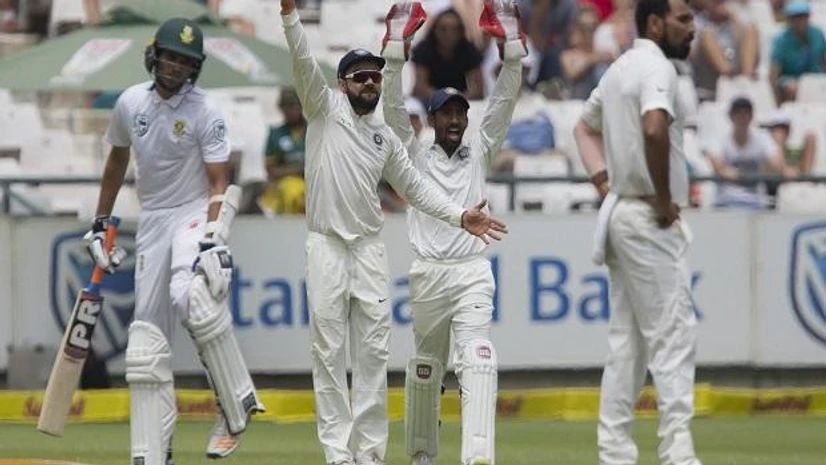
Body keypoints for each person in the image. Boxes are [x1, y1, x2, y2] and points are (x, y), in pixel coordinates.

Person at [279, 1, 507, 464]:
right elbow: (302, 61)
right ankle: (338, 454)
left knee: (372, 355)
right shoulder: (322, 108)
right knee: (328, 352)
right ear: (342, 84)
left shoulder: (383, 135)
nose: (369, 82)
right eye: (359, 76)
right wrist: (289, 17)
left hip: (368, 249)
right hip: (326, 245)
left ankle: (369, 453)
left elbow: (415, 188)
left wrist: (459, 216)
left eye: (374, 76)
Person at [85, 18, 265, 465]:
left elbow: (220, 180)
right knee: (145, 343)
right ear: (154, 55)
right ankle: (154, 452)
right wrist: (100, 221)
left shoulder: (206, 110)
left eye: (185, 61)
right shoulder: (130, 103)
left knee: (193, 299)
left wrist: (213, 238)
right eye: (170, 57)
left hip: (192, 211)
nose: (175, 67)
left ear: (194, 67)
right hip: (152, 221)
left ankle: (235, 403)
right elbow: (116, 162)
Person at [381, 2, 523, 465]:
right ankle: (423, 454)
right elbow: (391, 108)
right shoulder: (414, 153)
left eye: (460, 112)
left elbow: (503, 102)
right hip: (428, 275)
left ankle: (477, 457)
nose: (456, 120)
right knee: (426, 369)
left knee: (479, 359)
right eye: (446, 114)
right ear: (432, 118)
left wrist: (513, 53)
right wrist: (395, 55)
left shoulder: (479, 149)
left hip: (471, 272)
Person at [572, 1, 704, 465]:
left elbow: (582, 129)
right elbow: (654, 129)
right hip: (648, 217)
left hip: (622, 211)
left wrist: (604, 183)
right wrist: (665, 199)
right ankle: (677, 452)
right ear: (655, 23)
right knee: (672, 336)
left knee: (627, 344)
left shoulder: (619, 68)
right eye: (683, 20)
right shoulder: (657, 68)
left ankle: (615, 453)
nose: (692, 29)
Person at [706, 97, 796, 209]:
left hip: (756, 203)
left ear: (751, 116)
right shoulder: (720, 139)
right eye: (738, 113)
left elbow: (777, 166)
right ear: (731, 116)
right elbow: (718, 165)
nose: (742, 117)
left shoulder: (762, 138)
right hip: (725, 202)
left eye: (746, 113)